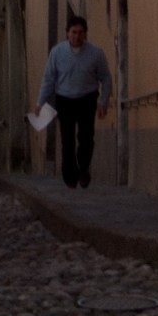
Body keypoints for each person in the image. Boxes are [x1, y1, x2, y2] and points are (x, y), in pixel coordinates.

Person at [37, 15, 113, 190]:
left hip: (87, 99)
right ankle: (70, 176)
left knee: (86, 138)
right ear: (67, 34)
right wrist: (40, 102)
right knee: (67, 140)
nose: (77, 36)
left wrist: (104, 102)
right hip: (65, 100)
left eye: (80, 33)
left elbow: (106, 78)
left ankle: (84, 168)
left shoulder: (96, 53)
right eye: (73, 32)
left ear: (85, 34)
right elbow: (49, 79)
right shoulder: (57, 53)